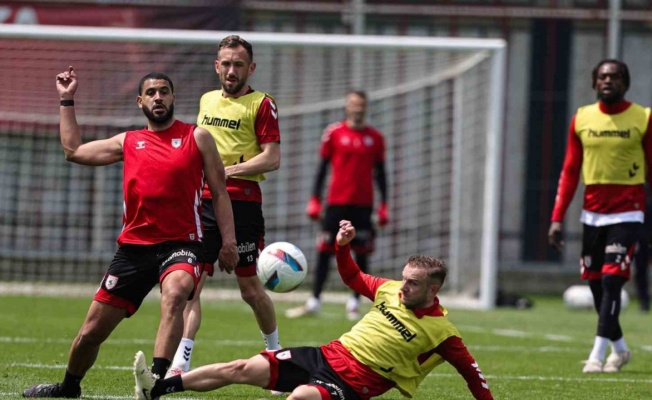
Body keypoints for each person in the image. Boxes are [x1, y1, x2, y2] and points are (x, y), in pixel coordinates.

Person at [21, 67, 238, 398]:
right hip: (134, 250)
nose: (158, 97)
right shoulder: (129, 141)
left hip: (182, 244)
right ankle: (69, 387)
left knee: (177, 293)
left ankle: (155, 382)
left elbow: (220, 193)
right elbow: (73, 151)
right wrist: (67, 99)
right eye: (151, 93)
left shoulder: (197, 137)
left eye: (164, 91)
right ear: (140, 101)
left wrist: (229, 242)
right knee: (90, 333)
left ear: (173, 97)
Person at [134, 219, 494, 400]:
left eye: (413, 283)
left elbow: (472, 375)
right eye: (404, 279)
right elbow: (352, 277)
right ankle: (157, 389)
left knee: (300, 398)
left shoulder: (443, 333)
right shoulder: (389, 290)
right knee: (240, 368)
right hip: (324, 356)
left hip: (352, 384)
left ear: (433, 289)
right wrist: (342, 246)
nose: (403, 287)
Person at [167, 35, 282, 377]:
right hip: (202, 202)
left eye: (239, 65)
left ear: (251, 68)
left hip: (242, 203)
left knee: (250, 290)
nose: (232, 71)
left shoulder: (262, 104)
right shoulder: (206, 100)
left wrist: (226, 170)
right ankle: (180, 364)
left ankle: (277, 357)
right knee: (191, 285)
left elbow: (272, 158)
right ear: (217, 66)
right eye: (227, 64)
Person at [548, 59, 652, 373]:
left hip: (628, 211)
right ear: (595, 82)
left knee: (611, 280)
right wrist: (557, 217)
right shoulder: (582, 118)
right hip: (592, 214)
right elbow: (569, 171)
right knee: (596, 286)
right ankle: (620, 349)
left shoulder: (643, 118)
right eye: (603, 76)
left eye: (616, 76)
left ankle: (596, 355)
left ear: (625, 83)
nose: (609, 81)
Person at [286, 90, 388, 321]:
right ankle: (315, 300)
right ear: (347, 106)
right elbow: (322, 168)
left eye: (361, 104)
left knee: (362, 253)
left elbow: (381, 174)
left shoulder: (376, 138)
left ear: (366, 107)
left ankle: (354, 303)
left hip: (363, 205)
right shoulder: (334, 133)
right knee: (325, 250)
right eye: (353, 104)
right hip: (336, 203)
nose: (357, 108)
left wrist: (384, 204)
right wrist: (315, 198)